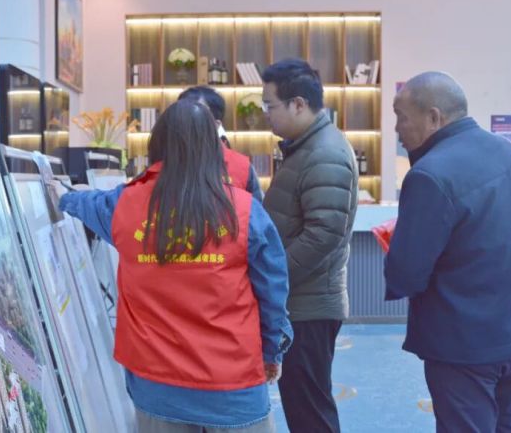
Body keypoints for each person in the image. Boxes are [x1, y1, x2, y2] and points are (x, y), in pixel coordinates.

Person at [57, 100, 292, 432]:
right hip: (233, 386)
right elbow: (273, 293)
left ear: (157, 143)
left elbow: (79, 203)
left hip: (157, 386)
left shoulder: (123, 204)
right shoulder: (246, 211)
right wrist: (271, 351)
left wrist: (63, 194)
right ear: (213, 146)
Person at [385, 71, 511, 433]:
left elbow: (406, 274)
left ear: (433, 117)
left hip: (467, 344)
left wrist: (398, 246)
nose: (396, 129)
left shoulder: (430, 175)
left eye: (401, 116)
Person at [260, 59, 358, 433]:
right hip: (302, 301)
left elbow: (323, 236)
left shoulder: (324, 152)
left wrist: (273, 278)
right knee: (304, 406)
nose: (266, 114)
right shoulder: (307, 147)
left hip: (309, 306)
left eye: (270, 105)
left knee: (310, 411)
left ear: (298, 104)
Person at [178, 86, 264, 200]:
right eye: (181, 114)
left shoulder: (241, 166)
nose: (187, 121)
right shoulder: (164, 163)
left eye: (197, 113)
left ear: (216, 124)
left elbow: (256, 207)